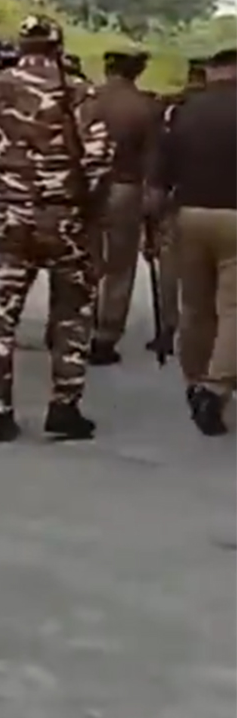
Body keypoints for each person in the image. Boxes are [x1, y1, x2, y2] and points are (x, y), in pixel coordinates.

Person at [0, 15, 111, 443]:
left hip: (8, 214)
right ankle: (64, 406)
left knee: (1, 314)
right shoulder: (77, 90)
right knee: (72, 313)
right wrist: (85, 202)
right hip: (63, 217)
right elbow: (98, 156)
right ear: (57, 46)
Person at [147, 47, 236, 435]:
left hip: (188, 215)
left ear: (212, 73)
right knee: (234, 308)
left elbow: (159, 175)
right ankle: (216, 390)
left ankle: (194, 381)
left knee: (196, 308)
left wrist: (151, 220)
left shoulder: (180, 111)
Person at [89, 49, 161, 364]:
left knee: (84, 260)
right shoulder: (145, 107)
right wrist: (153, 201)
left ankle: (70, 323)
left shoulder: (86, 99)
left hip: (86, 186)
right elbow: (153, 159)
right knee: (119, 265)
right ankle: (105, 335)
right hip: (125, 187)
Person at [147, 57, 209, 357]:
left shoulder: (174, 108)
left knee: (169, 272)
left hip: (178, 201)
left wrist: (152, 209)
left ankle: (168, 329)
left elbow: (159, 157)